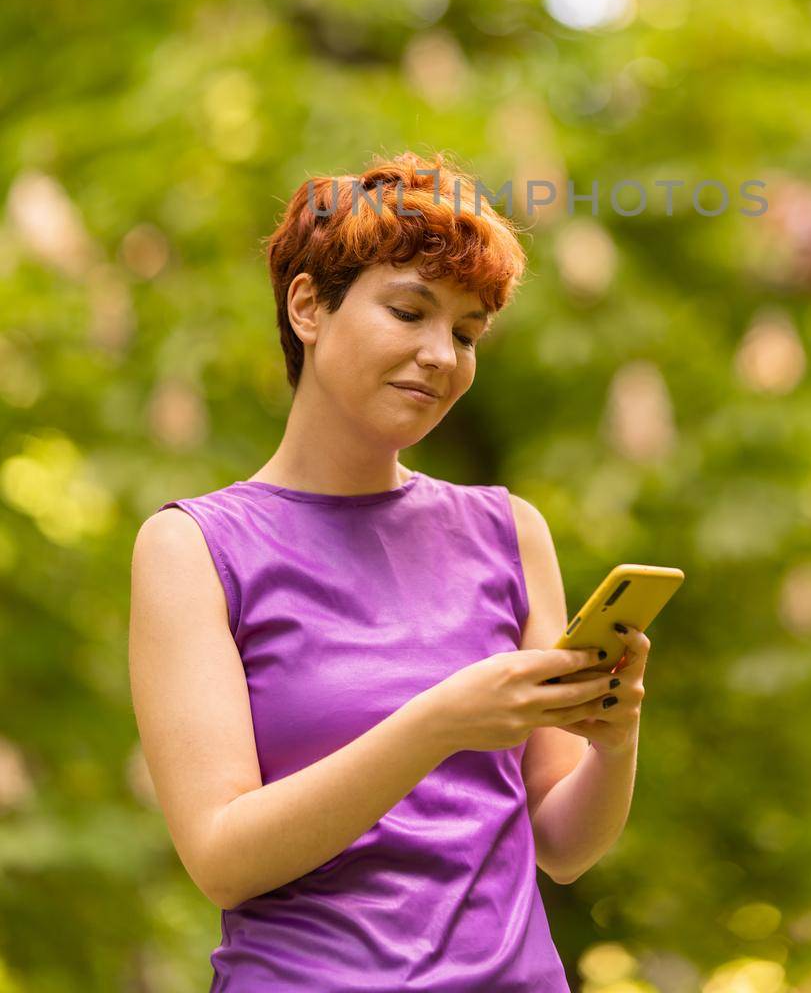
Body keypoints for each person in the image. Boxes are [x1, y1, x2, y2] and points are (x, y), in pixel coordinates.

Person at [128, 150, 645, 992]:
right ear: (308, 307)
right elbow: (222, 860)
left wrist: (614, 742)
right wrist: (439, 722)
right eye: (409, 312)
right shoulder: (195, 548)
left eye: (467, 332)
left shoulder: (508, 531)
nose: (441, 355)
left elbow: (564, 845)